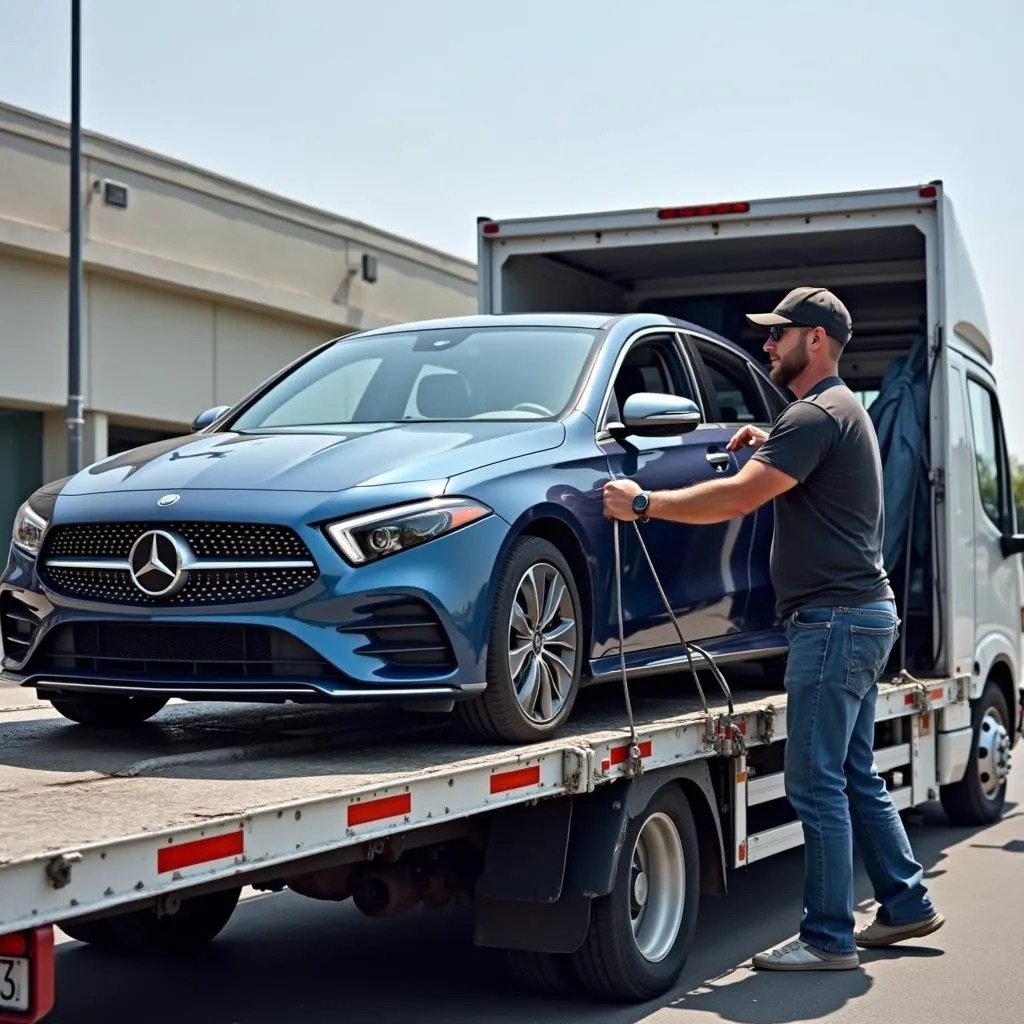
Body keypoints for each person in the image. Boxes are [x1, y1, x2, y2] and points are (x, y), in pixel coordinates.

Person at [602, 286, 944, 971]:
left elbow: (738, 496)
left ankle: (827, 939)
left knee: (814, 781)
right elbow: (800, 459)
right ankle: (906, 903)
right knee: (851, 772)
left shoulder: (815, 417)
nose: (766, 344)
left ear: (814, 340)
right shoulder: (840, 411)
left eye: (778, 333)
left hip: (835, 623)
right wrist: (770, 434)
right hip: (860, 616)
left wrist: (645, 502)